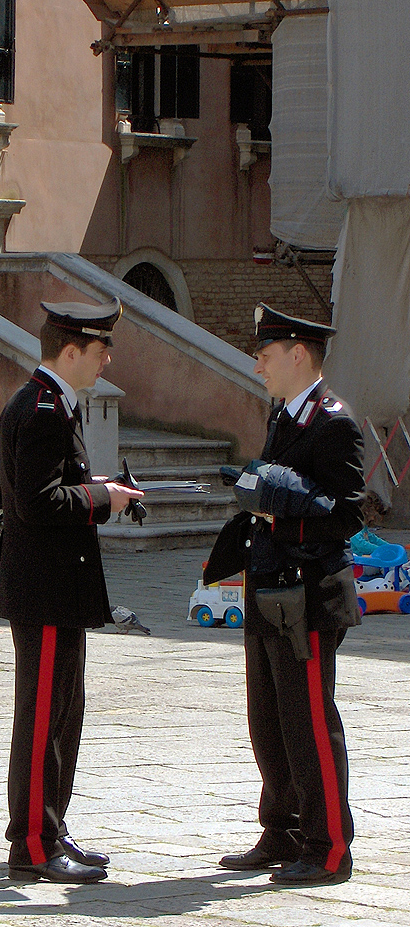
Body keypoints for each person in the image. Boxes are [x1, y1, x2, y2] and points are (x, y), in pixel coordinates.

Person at [0, 297, 144, 884]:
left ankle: (49, 827)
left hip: (53, 587)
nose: (108, 360)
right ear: (73, 350)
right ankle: (31, 843)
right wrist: (101, 497)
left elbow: (18, 488)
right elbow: (31, 501)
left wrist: (96, 486)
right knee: (43, 717)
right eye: (102, 350)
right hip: (46, 589)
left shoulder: (45, 402)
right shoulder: (45, 408)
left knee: (62, 715)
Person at [208, 304, 365, 887]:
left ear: (298, 353)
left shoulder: (333, 421)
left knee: (308, 720)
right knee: (267, 717)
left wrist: (283, 500)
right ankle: (281, 829)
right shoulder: (284, 414)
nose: (257, 366)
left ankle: (328, 847)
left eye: (265, 355)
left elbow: (348, 514)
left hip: (309, 592)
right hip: (270, 585)